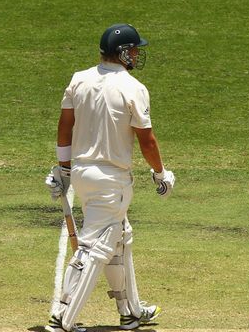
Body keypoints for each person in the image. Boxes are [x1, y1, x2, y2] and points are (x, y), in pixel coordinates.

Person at [44, 24, 175, 332]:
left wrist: (63, 170)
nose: (136, 54)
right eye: (133, 50)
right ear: (121, 52)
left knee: (121, 240)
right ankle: (62, 318)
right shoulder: (134, 88)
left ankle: (130, 312)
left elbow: (65, 128)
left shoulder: (79, 79)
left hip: (82, 174)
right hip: (111, 180)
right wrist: (160, 173)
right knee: (94, 248)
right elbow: (147, 141)